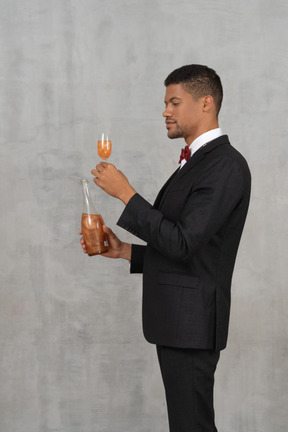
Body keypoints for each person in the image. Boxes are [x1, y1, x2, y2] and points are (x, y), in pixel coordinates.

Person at [80, 64, 251, 432]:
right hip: (179, 323)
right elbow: (185, 246)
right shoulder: (198, 163)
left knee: (192, 426)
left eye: (174, 102)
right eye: (165, 103)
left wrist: (125, 193)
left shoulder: (225, 166)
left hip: (192, 325)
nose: (165, 112)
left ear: (206, 103)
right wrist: (125, 251)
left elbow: (183, 243)